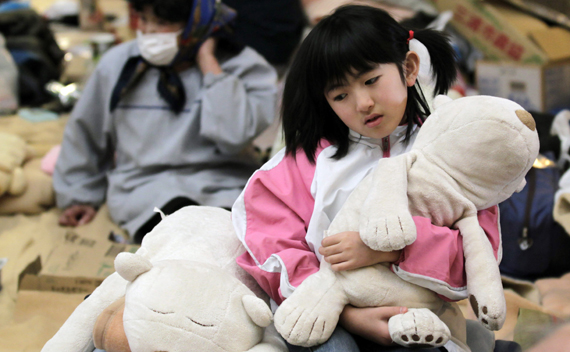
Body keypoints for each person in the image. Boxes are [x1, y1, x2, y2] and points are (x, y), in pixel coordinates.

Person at [232, 5, 520, 352]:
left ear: (408, 68)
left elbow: (478, 256)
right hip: (327, 314)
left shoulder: (452, 150)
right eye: (341, 95)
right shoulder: (305, 161)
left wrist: (390, 250)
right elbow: (269, 240)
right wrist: (345, 311)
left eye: (371, 80)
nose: (363, 102)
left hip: (421, 318)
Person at [53, 0, 278, 243]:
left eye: (162, 23)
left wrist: (209, 65)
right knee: (177, 241)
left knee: (220, 242)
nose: (148, 31)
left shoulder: (244, 66)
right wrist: (79, 196)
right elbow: (85, 134)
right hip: (144, 191)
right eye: (145, 19)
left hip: (221, 189)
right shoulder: (119, 65)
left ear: (197, 25)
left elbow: (233, 135)